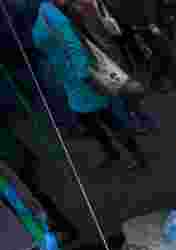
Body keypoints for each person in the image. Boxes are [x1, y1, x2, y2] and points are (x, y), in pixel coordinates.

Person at [32, 0, 148, 170]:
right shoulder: (46, 9)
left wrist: (85, 76)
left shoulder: (57, 17)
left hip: (81, 75)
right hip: (70, 77)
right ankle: (113, 152)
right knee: (89, 119)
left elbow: (75, 47)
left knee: (106, 117)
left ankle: (136, 154)